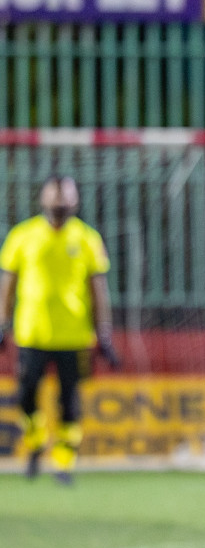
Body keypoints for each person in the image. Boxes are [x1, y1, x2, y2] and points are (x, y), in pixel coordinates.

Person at [0, 176, 118, 485]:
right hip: (32, 333)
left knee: (70, 400)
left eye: (66, 196)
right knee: (25, 394)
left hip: (74, 336)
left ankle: (64, 462)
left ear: (75, 201)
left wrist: (103, 333)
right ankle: (37, 441)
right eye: (55, 195)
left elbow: (98, 290)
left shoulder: (87, 238)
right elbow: (7, 287)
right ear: (43, 198)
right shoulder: (22, 236)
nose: (60, 202)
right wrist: (2, 324)